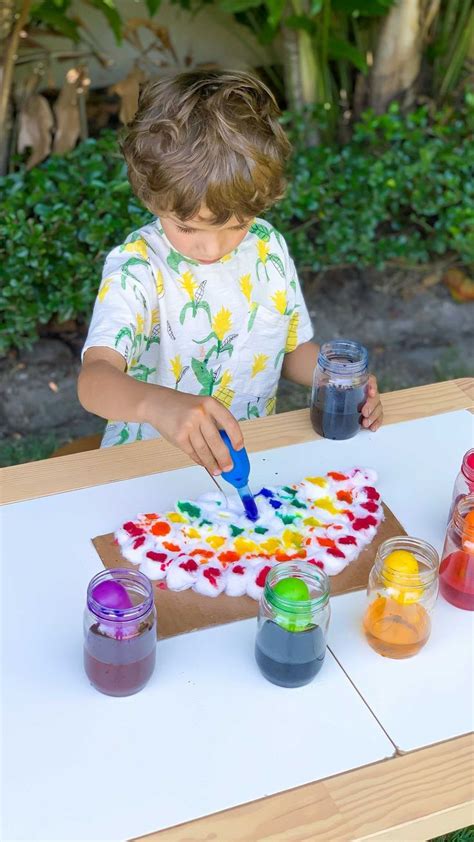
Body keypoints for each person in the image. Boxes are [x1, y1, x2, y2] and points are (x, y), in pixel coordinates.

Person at [78, 69, 383, 476]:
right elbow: (95, 377)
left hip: (243, 460)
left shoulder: (266, 248)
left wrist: (338, 382)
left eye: (235, 226)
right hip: (146, 470)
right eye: (187, 228)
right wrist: (158, 404)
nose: (213, 247)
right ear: (151, 198)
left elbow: (290, 350)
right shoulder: (138, 267)